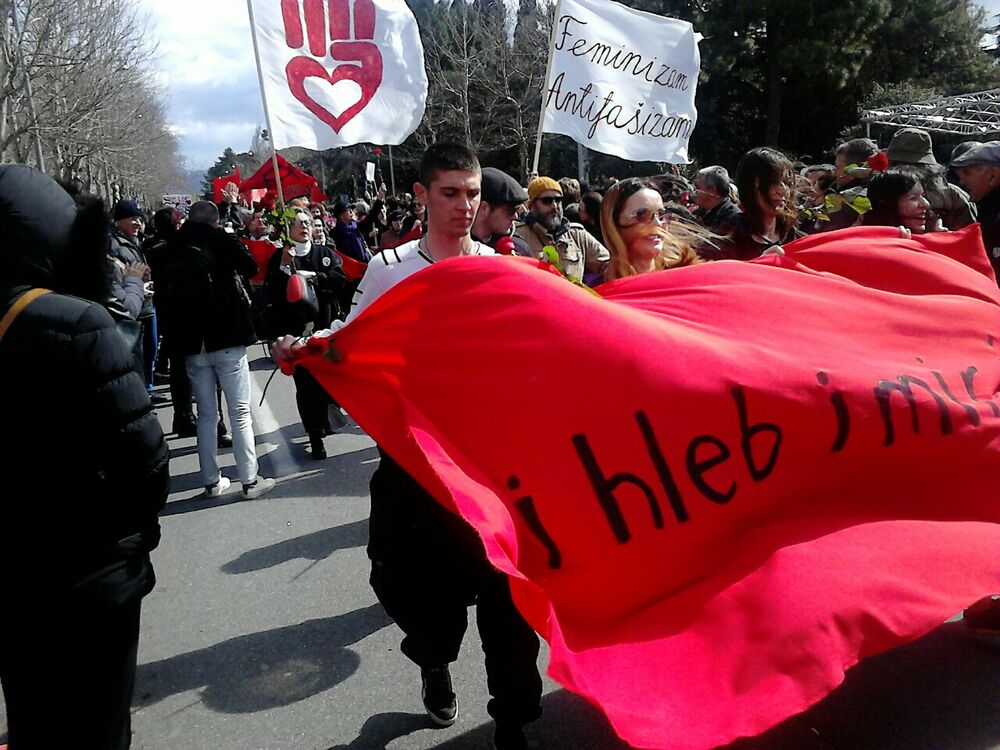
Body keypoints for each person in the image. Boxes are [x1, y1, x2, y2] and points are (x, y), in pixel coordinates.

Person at [274, 142, 543, 750]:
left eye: (472, 194)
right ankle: (434, 662)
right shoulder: (388, 268)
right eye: (450, 193)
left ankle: (511, 723)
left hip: (492, 473)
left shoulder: (503, 267)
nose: (464, 206)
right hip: (417, 472)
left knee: (508, 606)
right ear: (421, 195)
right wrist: (302, 348)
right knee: (422, 600)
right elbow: (351, 338)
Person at [0, 164, 169, 749]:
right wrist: (132, 539)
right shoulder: (76, 321)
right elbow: (144, 460)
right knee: (98, 724)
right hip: (90, 575)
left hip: (10, 579)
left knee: (33, 718)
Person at [157, 200, 275, 500]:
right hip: (227, 336)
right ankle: (249, 479)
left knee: (206, 415)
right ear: (216, 220)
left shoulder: (170, 247)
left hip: (191, 343)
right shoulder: (222, 240)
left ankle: (211, 480)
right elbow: (250, 268)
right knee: (240, 412)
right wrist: (227, 236)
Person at [264, 209, 346, 459]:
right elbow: (272, 291)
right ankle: (314, 435)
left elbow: (339, 280)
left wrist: (317, 278)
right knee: (306, 384)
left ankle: (327, 415)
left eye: (307, 222)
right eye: (298, 223)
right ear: (288, 229)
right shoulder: (281, 257)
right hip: (297, 333)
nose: (305, 227)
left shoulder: (324, 253)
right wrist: (284, 268)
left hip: (325, 331)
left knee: (331, 376)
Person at [109, 198, 165, 402]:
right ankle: (141, 392)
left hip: (147, 304)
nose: (137, 223)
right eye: (132, 219)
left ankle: (148, 386)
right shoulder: (114, 245)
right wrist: (135, 284)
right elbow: (118, 276)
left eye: (139, 219)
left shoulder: (139, 241)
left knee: (151, 350)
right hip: (132, 307)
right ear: (119, 221)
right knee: (136, 353)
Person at [701, 147, 797, 260]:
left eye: (786, 183)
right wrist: (759, 264)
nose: (783, 190)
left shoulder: (792, 234)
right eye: (772, 181)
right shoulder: (727, 236)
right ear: (749, 187)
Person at [601, 177, 702, 282]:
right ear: (613, 223)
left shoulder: (688, 276)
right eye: (642, 215)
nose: (658, 223)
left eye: (661, 215)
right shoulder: (597, 290)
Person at [514, 176, 610, 282]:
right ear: (532, 206)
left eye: (558, 200)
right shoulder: (518, 237)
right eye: (547, 201)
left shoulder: (577, 235)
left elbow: (608, 265)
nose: (554, 206)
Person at [885, 127, 976, 231]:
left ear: (927, 167)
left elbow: (968, 233)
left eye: (914, 166)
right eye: (898, 166)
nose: (906, 173)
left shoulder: (953, 196)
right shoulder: (878, 191)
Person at [952, 141, 1000, 277]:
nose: (962, 182)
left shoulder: (995, 219)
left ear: (992, 176)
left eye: (968, 173)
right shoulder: (989, 209)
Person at [471, 167, 530, 254]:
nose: (515, 217)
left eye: (517, 210)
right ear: (484, 208)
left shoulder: (518, 248)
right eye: (510, 210)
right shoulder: (456, 245)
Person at [862, 169, 932, 233]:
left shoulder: (934, 232)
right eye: (913, 198)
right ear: (887, 204)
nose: (926, 204)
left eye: (923, 196)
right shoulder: (865, 238)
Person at [692, 165, 742, 233]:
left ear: (712, 191)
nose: (694, 191)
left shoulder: (734, 220)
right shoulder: (697, 213)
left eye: (697, 187)